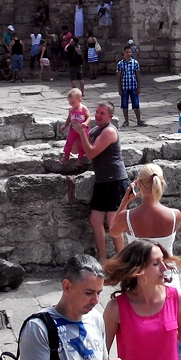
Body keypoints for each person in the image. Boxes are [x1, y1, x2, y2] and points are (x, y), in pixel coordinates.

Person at [70, 102, 128, 257]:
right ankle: (103, 259)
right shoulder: (95, 131)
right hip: (102, 180)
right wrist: (75, 132)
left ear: (110, 116)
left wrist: (82, 133)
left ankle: (121, 260)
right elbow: (76, 150)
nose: (98, 115)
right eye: (96, 112)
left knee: (113, 221)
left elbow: (91, 153)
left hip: (115, 180)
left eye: (102, 113)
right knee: (95, 220)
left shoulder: (109, 131)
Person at [112, 163, 181, 263]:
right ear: (162, 184)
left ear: (139, 184)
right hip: (167, 271)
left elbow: (113, 232)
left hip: (139, 271)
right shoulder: (175, 215)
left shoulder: (127, 217)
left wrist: (125, 201)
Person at [117, 45, 143, 128]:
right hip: (124, 87)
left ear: (131, 53)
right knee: (124, 105)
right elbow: (118, 77)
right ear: (124, 53)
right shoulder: (120, 64)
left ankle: (139, 120)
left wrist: (139, 87)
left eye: (129, 52)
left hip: (133, 87)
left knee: (136, 104)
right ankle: (126, 121)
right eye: (126, 52)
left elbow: (137, 75)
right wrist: (119, 89)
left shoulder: (135, 63)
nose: (128, 54)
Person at [62, 88, 91, 162]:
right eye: (69, 102)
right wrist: (65, 125)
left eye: (73, 102)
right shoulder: (70, 109)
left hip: (82, 129)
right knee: (69, 142)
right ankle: (66, 155)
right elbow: (69, 118)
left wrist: (85, 123)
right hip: (73, 129)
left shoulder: (83, 108)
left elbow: (89, 117)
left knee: (82, 144)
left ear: (80, 100)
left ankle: (80, 157)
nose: (71, 104)